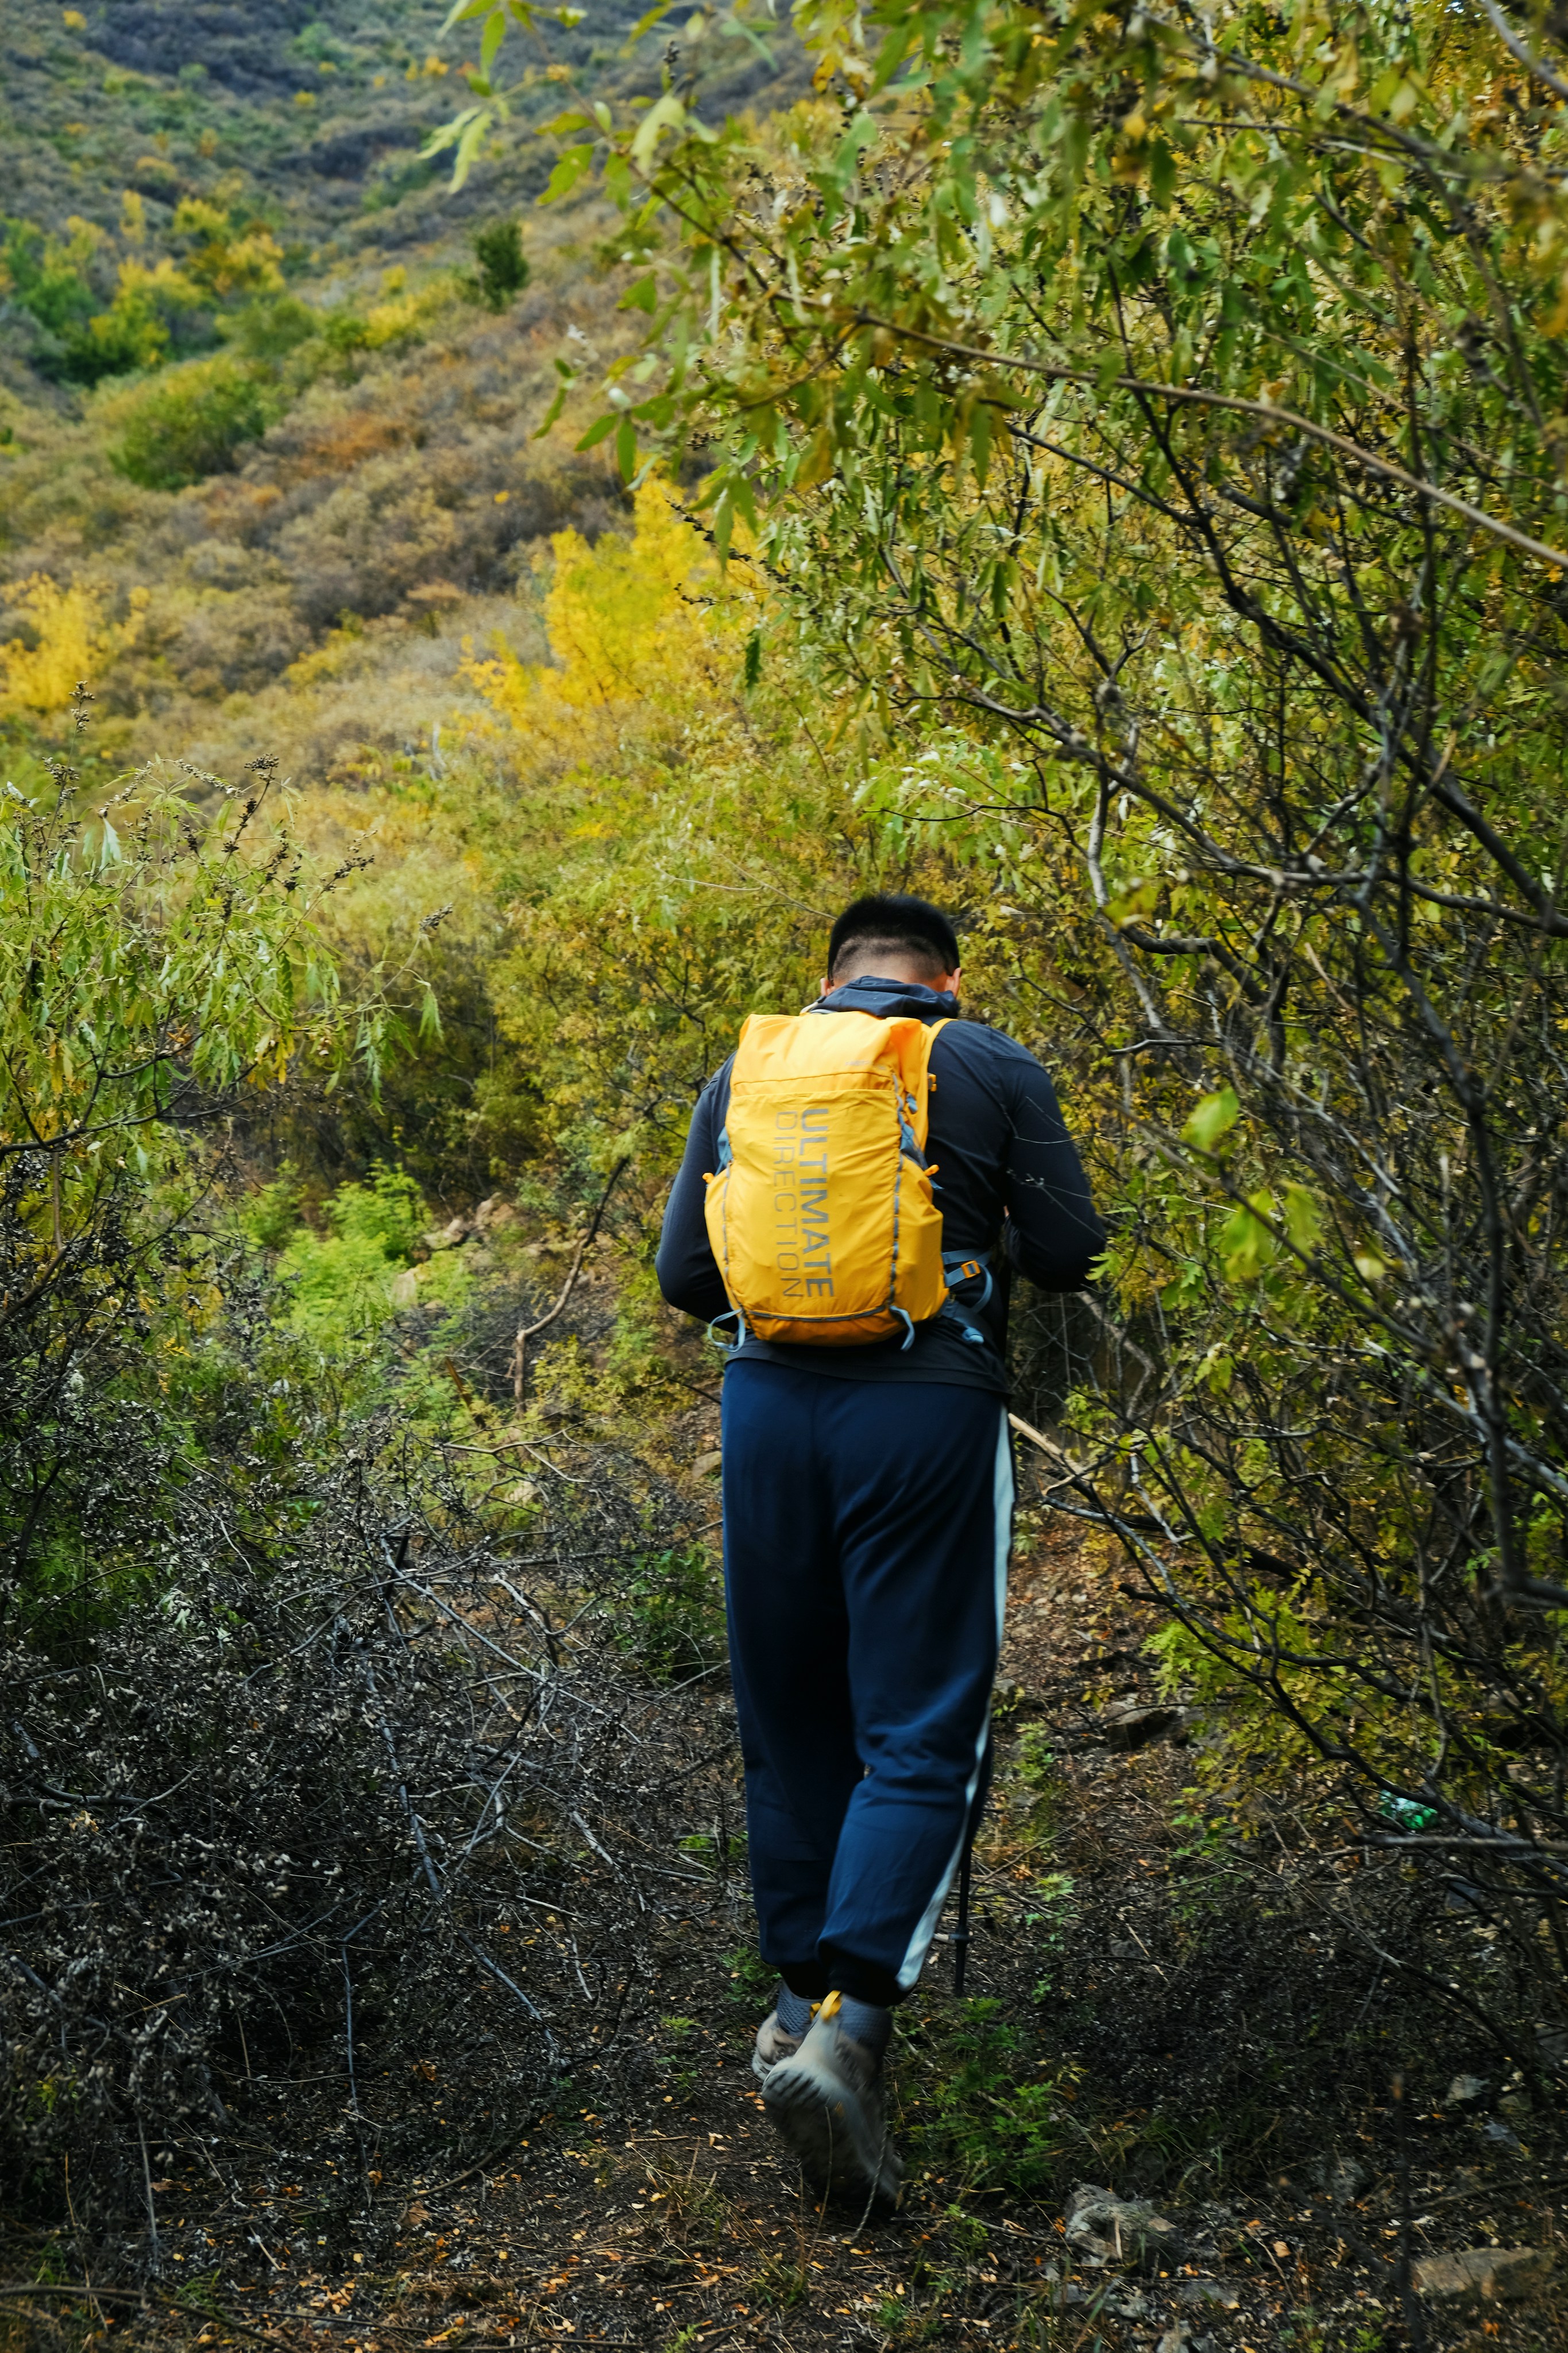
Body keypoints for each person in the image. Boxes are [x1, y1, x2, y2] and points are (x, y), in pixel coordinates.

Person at [655, 893, 1103, 2207]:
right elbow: (1072, 1253)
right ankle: (850, 2034)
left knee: (792, 1718)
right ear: (945, 980)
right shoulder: (986, 1059)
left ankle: (796, 2007)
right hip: (924, 1407)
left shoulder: (751, 1065)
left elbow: (687, 1274)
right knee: (920, 1725)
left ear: (834, 978)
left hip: (767, 1408)